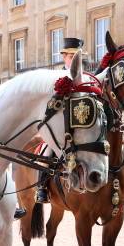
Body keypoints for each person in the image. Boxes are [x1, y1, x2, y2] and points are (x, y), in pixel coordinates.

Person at [35, 37, 86, 204]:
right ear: (64, 56)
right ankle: (42, 187)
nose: (74, 60)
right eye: (71, 57)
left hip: (79, 125)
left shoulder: (85, 77)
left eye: (77, 57)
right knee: (47, 150)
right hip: (59, 127)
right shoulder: (57, 77)